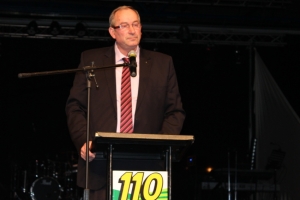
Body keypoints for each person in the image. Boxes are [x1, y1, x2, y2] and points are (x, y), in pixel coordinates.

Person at [65, 5, 185, 199]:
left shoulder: (162, 63)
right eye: (125, 25)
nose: (132, 30)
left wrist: (160, 146)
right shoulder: (92, 60)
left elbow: (175, 112)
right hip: (101, 164)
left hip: (148, 169)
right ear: (112, 32)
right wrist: (83, 140)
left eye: (136, 24)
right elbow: (75, 106)